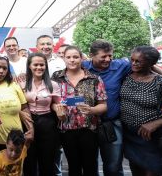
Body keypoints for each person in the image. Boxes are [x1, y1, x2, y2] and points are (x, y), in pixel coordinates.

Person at [52, 45, 107, 176]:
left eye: (75, 57)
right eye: (68, 57)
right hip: (66, 129)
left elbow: (103, 105)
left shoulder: (94, 79)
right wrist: (57, 109)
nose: (72, 60)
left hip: (89, 129)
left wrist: (92, 110)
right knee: (73, 166)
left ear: (81, 58)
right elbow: (52, 102)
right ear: (63, 58)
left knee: (91, 166)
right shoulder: (56, 77)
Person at [120, 46, 162, 176]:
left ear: (151, 63)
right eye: (132, 60)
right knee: (136, 170)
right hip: (129, 134)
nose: (133, 64)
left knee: (152, 171)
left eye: (138, 61)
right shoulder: (126, 76)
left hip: (150, 136)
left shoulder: (161, 82)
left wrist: (155, 124)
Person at [82, 39, 130, 176]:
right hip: (87, 124)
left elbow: (146, 62)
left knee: (114, 166)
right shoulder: (81, 66)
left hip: (112, 123)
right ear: (91, 55)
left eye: (110, 56)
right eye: (103, 56)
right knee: (89, 165)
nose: (108, 59)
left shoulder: (120, 65)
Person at [19, 53, 61, 176]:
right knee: (28, 160)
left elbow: (57, 105)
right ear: (29, 66)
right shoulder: (22, 83)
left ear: (46, 66)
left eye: (42, 65)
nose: (39, 67)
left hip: (47, 124)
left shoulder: (53, 85)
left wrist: (60, 110)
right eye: (35, 64)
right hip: (27, 122)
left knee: (47, 161)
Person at [36, 34, 66, 176]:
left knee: (54, 150)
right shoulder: (30, 61)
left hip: (57, 110)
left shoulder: (61, 62)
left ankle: (57, 172)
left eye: (48, 44)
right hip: (37, 112)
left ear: (53, 46)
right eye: (42, 44)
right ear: (37, 46)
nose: (45, 46)